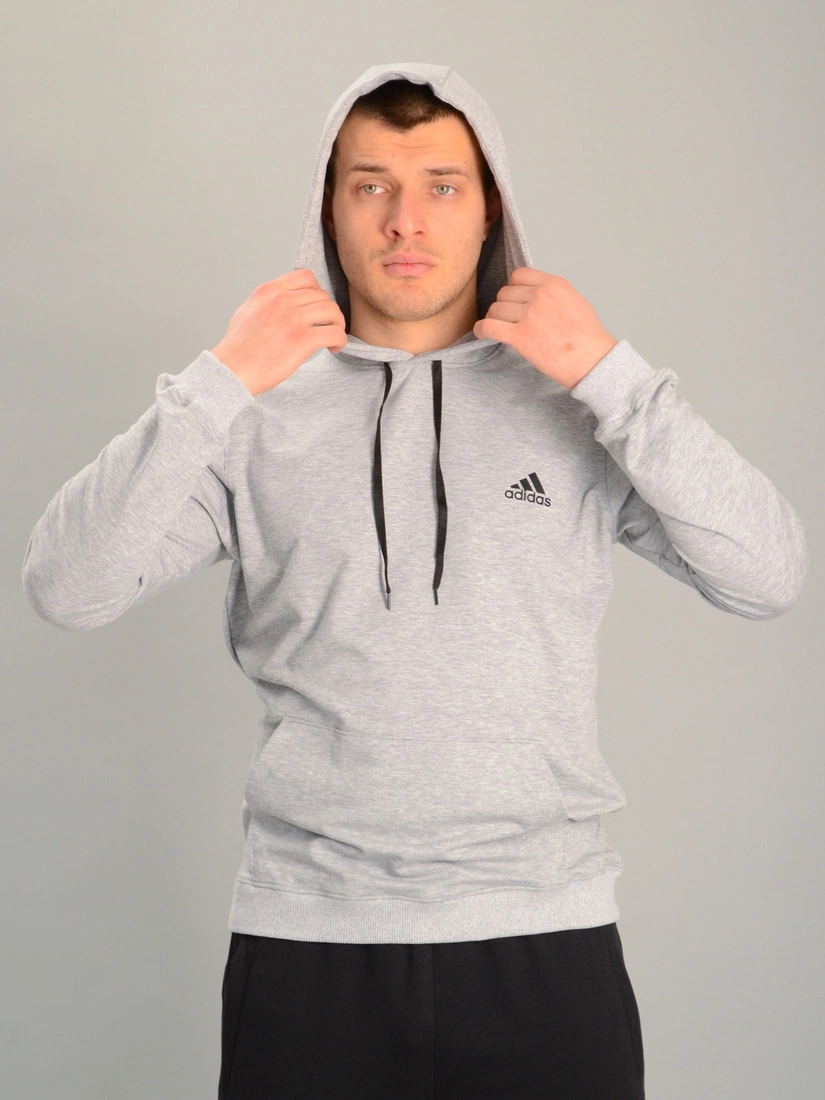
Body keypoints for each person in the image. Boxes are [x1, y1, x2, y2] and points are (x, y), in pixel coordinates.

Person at [21, 61, 809, 1100]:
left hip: (546, 941)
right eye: (370, 185)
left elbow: (767, 574)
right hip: (306, 946)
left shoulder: (578, 407)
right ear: (329, 211)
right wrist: (217, 382)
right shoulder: (251, 419)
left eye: (442, 184)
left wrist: (612, 374)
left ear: (490, 214)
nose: (405, 219)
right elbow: (66, 586)